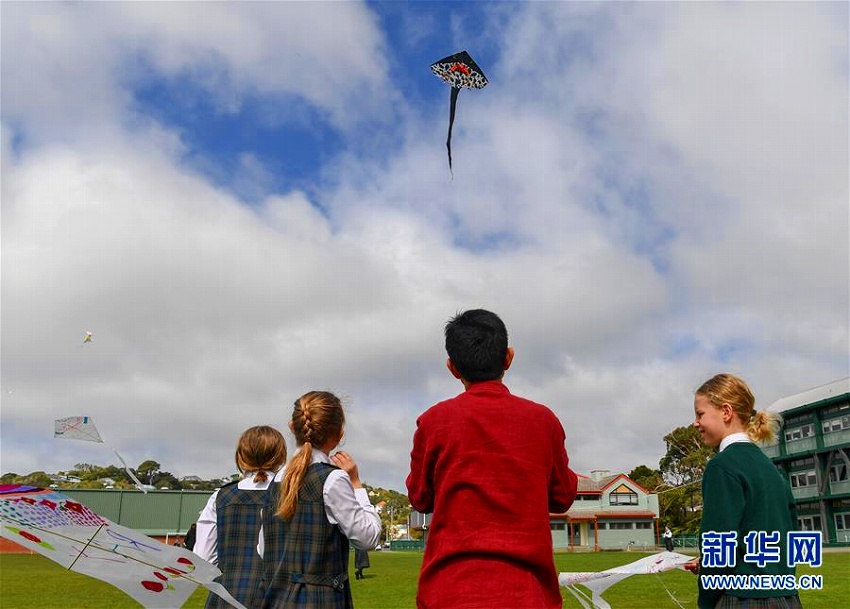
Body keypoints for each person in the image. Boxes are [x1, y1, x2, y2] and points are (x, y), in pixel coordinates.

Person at [406, 309, 578, 609]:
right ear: (508, 358)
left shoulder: (434, 422)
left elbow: (420, 498)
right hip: (527, 593)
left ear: (452, 368)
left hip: (449, 592)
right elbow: (562, 496)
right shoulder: (543, 421)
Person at [262, 391, 382, 609]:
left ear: (292, 427)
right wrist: (356, 484)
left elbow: (263, 549)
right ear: (339, 434)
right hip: (321, 601)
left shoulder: (276, 480)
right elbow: (367, 538)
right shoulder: (332, 479)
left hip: (276, 599)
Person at [690, 373, 800, 609]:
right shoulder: (771, 469)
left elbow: (719, 544)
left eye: (700, 414)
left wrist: (706, 600)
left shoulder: (722, 466)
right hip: (787, 598)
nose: (696, 423)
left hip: (742, 598)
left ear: (726, 412)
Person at [194, 425, 287, 609]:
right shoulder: (290, 495)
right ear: (280, 457)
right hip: (276, 596)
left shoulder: (220, 497)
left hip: (227, 597)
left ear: (241, 456)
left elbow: (203, 560)